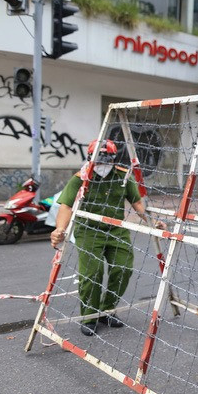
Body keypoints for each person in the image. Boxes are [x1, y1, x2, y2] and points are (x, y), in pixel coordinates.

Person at [50, 139, 165, 336]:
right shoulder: (80, 178)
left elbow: (136, 202)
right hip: (88, 232)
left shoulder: (122, 176)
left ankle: (107, 310)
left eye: (106, 161)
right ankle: (89, 316)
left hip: (116, 231)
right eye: (99, 161)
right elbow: (66, 206)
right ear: (90, 159)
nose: (102, 166)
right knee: (91, 274)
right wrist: (59, 229)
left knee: (123, 269)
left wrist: (151, 221)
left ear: (113, 159)